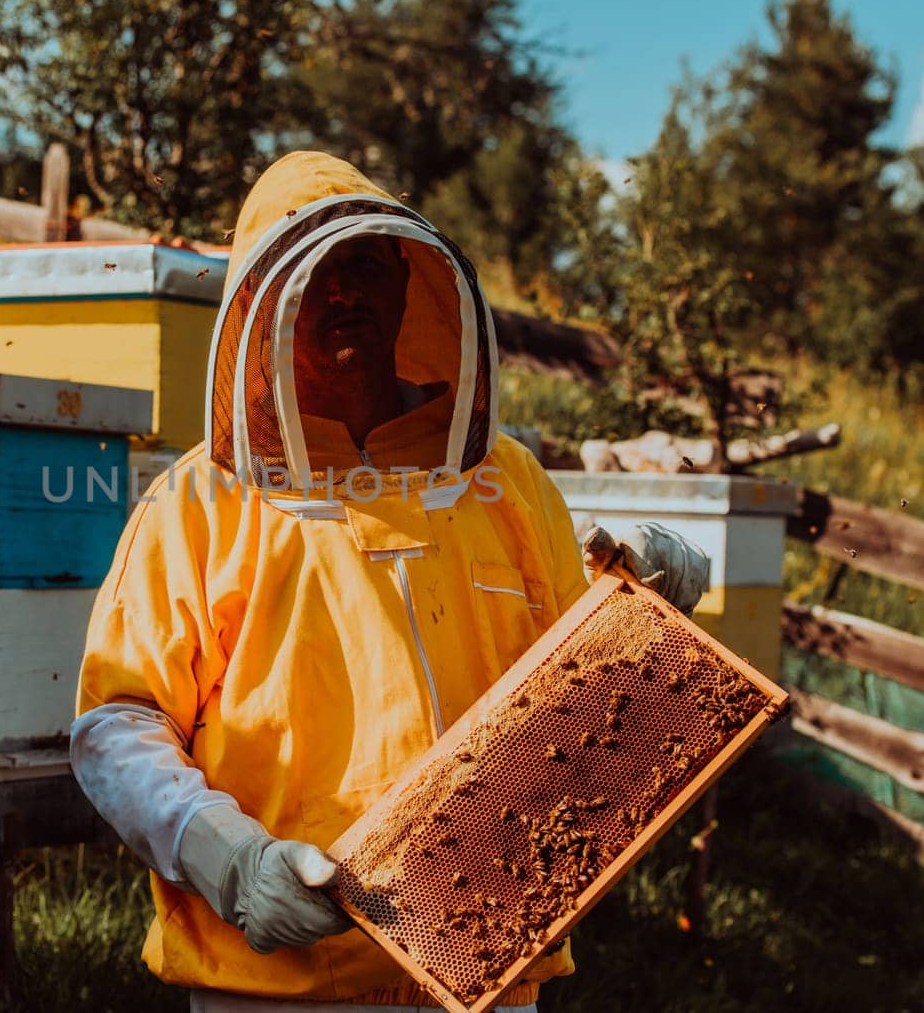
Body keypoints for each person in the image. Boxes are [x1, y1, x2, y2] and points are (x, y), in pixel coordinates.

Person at [71, 151, 710, 1012]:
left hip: (493, 960)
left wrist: (646, 596)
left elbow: (577, 690)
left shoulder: (503, 479)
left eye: (365, 264)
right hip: (279, 977)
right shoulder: (202, 498)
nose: (344, 292)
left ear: (413, 285)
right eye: (316, 273)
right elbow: (118, 723)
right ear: (263, 306)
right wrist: (231, 860)